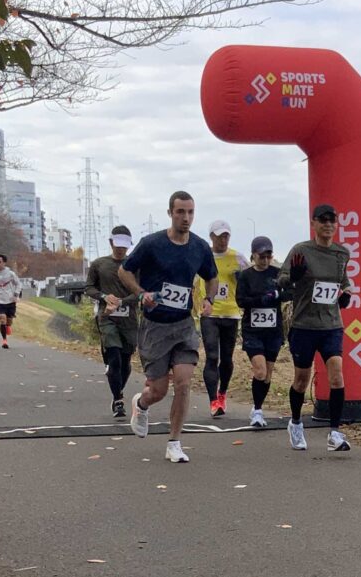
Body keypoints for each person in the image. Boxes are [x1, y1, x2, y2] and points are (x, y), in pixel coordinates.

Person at [120, 191, 219, 464]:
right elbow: (124, 271)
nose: (186, 218)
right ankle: (141, 404)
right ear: (170, 213)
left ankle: (174, 442)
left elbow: (212, 277)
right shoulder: (151, 244)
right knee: (159, 390)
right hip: (155, 326)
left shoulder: (199, 247)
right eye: (180, 212)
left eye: (190, 212)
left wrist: (209, 299)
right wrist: (141, 294)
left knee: (184, 382)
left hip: (184, 325)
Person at [281, 204, 358, 453]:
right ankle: (295, 423)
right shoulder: (301, 250)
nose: (328, 225)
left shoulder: (341, 253)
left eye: (332, 220)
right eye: (323, 220)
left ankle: (334, 432)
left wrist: (346, 293)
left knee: (336, 374)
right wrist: (293, 276)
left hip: (331, 325)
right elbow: (281, 280)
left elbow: (343, 280)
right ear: (313, 223)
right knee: (301, 380)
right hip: (304, 326)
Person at [87, 225, 143, 418]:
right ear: (111, 243)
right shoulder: (99, 264)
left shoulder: (135, 265)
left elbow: (140, 293)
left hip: (129, 319)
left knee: (125, 361)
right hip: (107, 317)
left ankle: (118, 391)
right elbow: (89, 288)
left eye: (124, 245)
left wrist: (122, 302)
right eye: (117, 244)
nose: (121, 249)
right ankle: (118, 400)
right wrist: (104, 297)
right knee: (114, 358)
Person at [197, 219, 246, 418]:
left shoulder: (237, 257)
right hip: (210, 313)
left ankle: (222, 392)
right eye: (219, 236)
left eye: (226, 236)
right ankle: (213, 401)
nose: (223, 240)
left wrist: (241, 280)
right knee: (212, 356)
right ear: (211, 237)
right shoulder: (204, 256)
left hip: (231, 313)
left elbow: (250, 278)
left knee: (226, 359)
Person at [235, 235, 285, 428]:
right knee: (260, 370)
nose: (265, 260)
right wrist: (259, 300)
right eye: (261, 256)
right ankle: (257, 411)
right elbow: (240, 301)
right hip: (253, 330)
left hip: (273, 330)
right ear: (253, 255)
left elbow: (291, 292)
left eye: (268, 256)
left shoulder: (277, 273)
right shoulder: (246, 276)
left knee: (268, 374)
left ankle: (258, 407)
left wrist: (277, 294)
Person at [0, 254, 22, 348]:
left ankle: (8, 326)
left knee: (9, 321)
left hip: (10, 300)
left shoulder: (10, 274)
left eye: (0, 262)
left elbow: (18, 284)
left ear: (4, 263)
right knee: (2, 319)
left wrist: (16, 295)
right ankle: (4, 341)